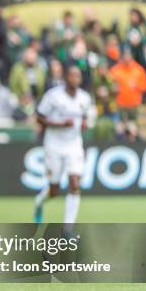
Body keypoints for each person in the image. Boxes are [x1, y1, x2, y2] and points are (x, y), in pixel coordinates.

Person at [33, 66, 92, 230]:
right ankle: (39, 203)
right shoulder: (53, 96)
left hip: (74, 145)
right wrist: (60, 124)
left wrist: (85, 123)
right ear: (65, 78)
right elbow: (39, 117)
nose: (75, 79)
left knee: (74, 183)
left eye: (77, 77)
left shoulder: (84, 98)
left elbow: (85, 116)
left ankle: (68, 229)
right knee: (54, 190)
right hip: (54, 145)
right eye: (72, 76)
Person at [109, 48, 146, 141]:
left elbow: (145, 86)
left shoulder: (138, 69)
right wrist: (113, 88)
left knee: (133, 129)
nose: (127, 58)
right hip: (120, 105)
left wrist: (137, 85)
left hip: (134, 105)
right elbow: (109, 83)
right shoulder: (116, 70)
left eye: (128, 55)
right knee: (120, 129)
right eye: (125, 56)